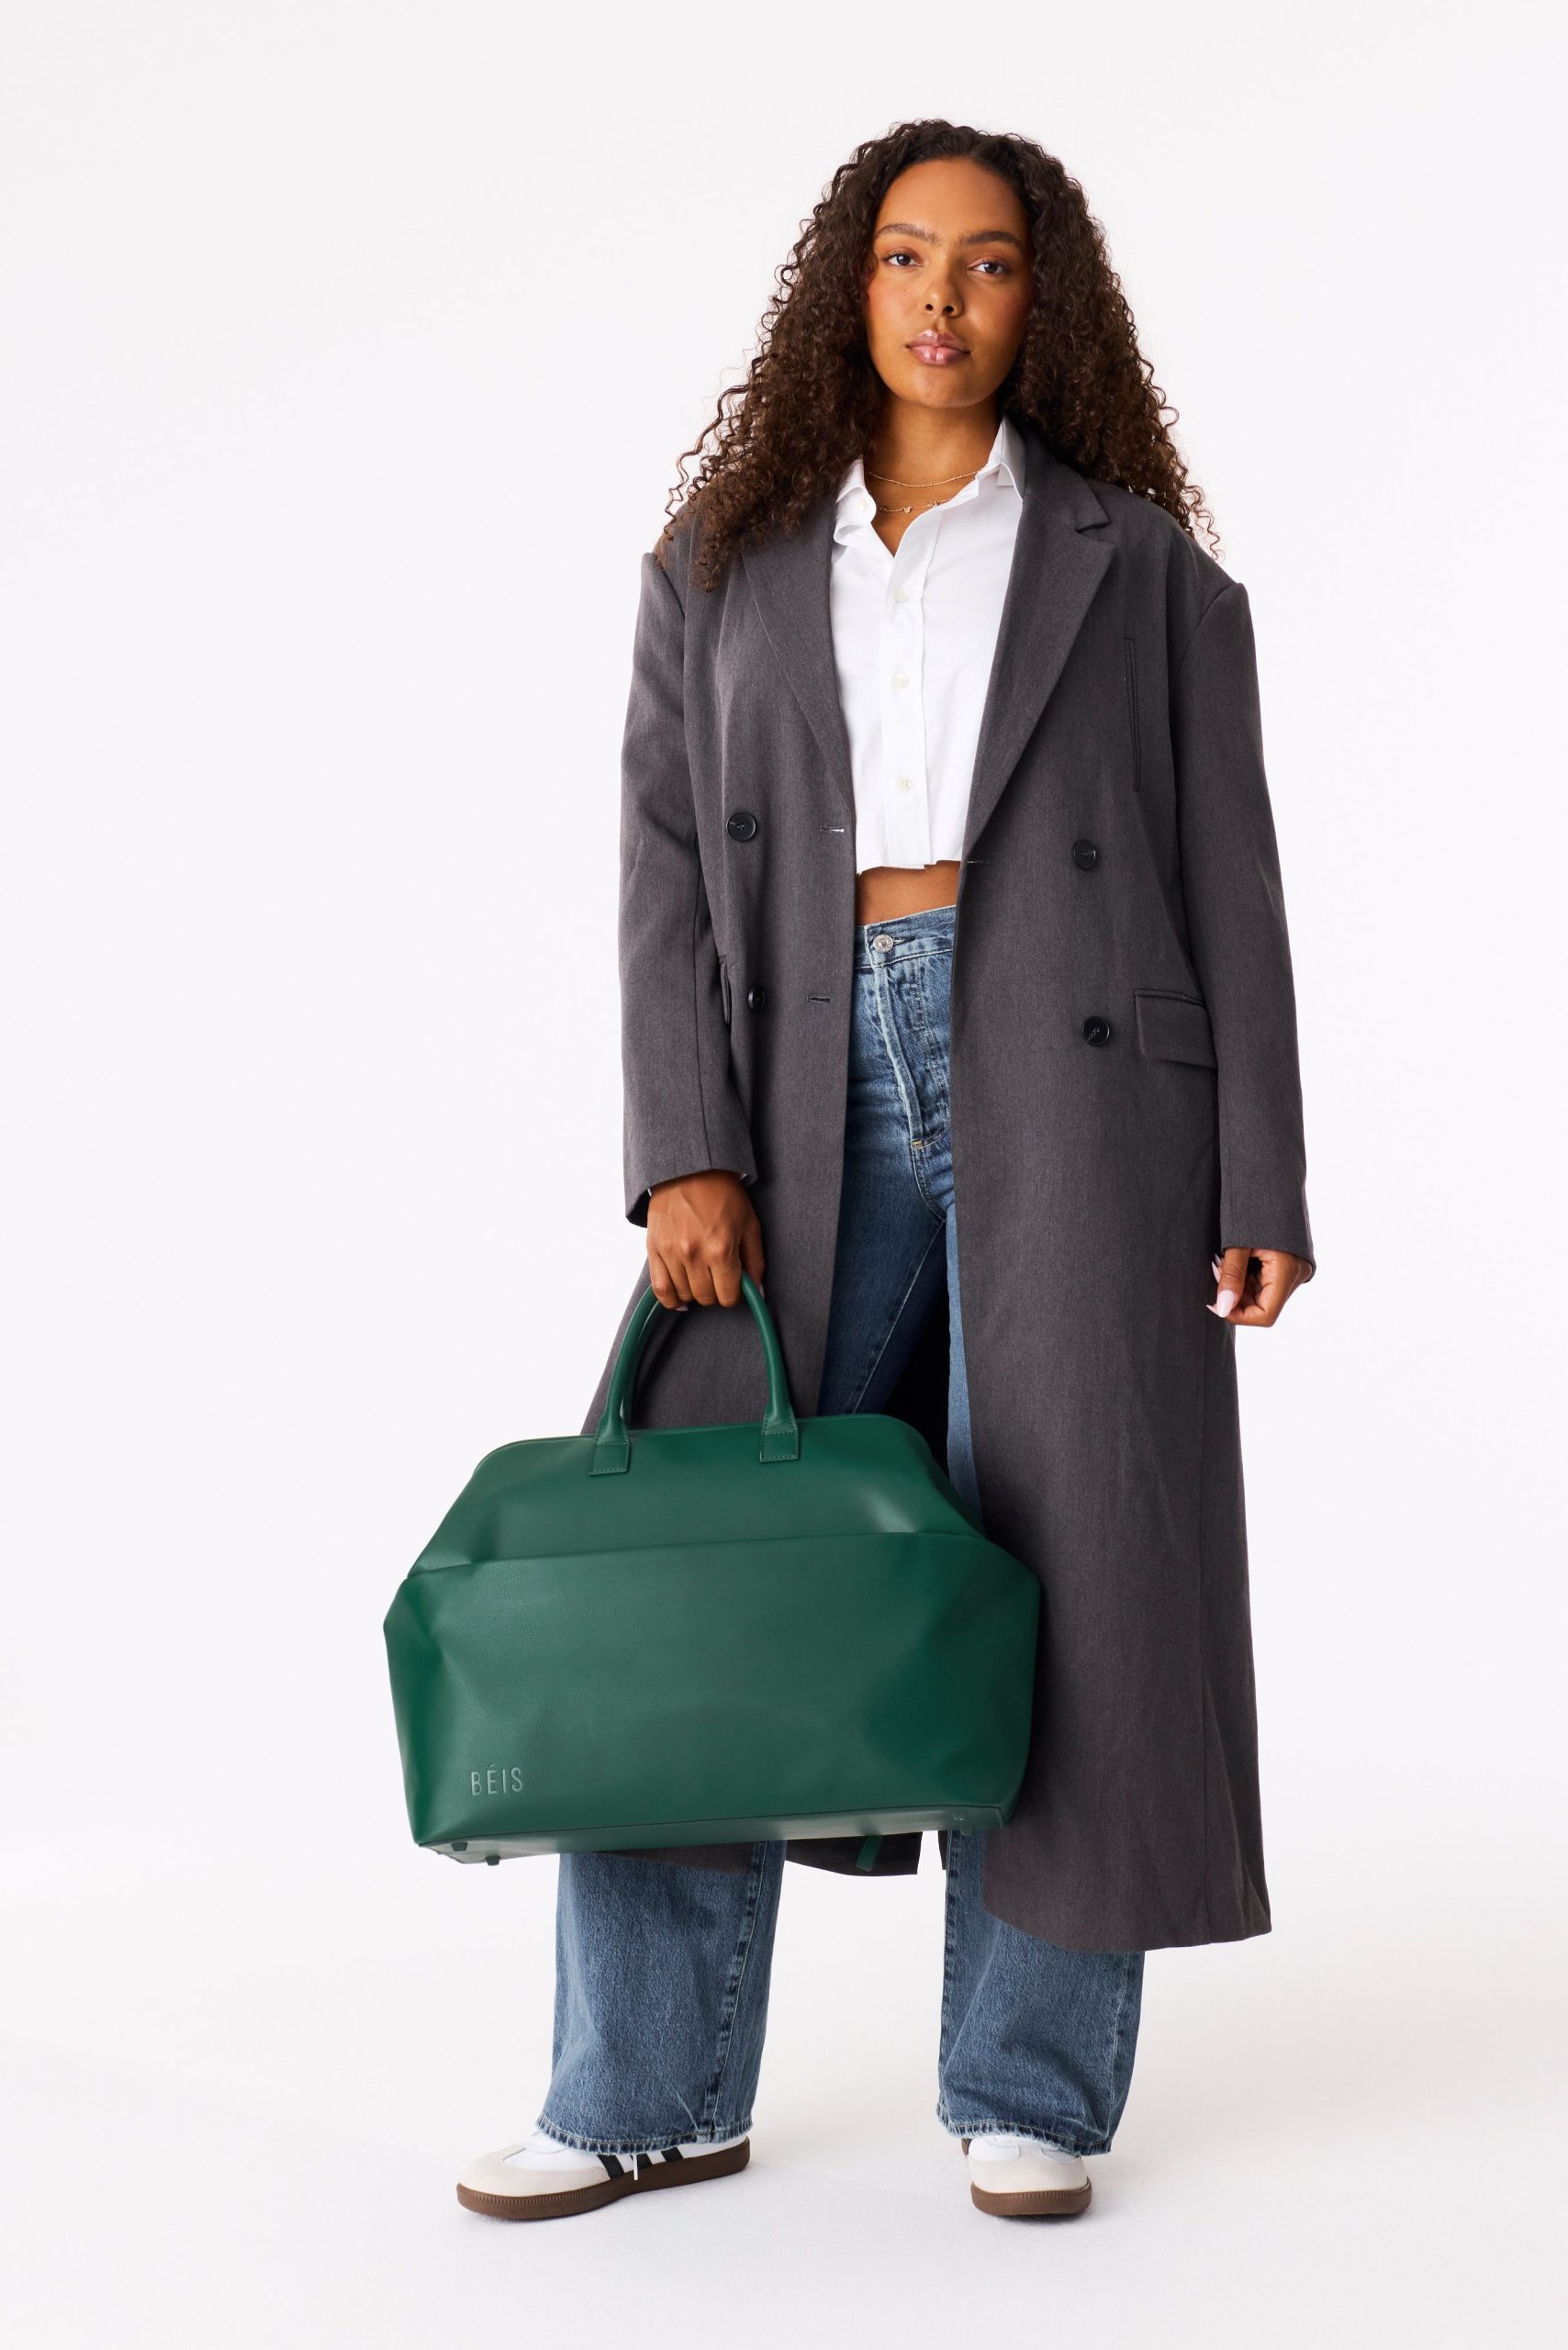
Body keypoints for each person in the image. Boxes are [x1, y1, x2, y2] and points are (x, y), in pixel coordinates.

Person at [458, 118, 1314, 2223]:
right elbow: (661, 873)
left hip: (1081, 1085)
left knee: (1075, 1569)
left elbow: (1230, 872)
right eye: (907, 254)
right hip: (794, 1078)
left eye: (988, 261)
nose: (942, 296)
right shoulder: (722, 561)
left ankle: (1028, 2083)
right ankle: (642, 2085)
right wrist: (682, 1147)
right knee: (697, 1578)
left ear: (1041, 301)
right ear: (849, 283)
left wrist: (1258, 1171)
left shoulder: (1139, 567)